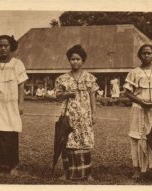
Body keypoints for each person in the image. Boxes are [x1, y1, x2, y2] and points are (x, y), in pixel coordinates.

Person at [0, 35, 28, 176]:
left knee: (10, 133)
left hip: (11, 103)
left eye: (6, 45)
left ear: (11, 47)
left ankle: (12, 165)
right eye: (0, 46)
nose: (3, 48)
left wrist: (20, 103)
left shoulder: (17, 63)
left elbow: (21, 85)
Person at [123, 44, 152, 179]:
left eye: (149, 53)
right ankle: (137, 169)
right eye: (144, 53)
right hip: (139, 109)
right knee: (137, 137)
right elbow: (127, 92)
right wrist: (141, 102)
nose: (146, 55)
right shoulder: (134, 72)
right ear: (140, 55)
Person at [55, 44, 99, 181]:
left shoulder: (89, 77)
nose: (75, 61)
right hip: (68, 114)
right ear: (69, 60)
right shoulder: (62, 78)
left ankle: (87, 173)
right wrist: (67, 93)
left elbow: (92, 96)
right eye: (73, 59)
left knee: (84, 141)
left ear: (83, 61)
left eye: (78, 59)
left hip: (84, 114)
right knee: (66, 142)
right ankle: (66, 172)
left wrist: (94, 113)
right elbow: (58, 96)